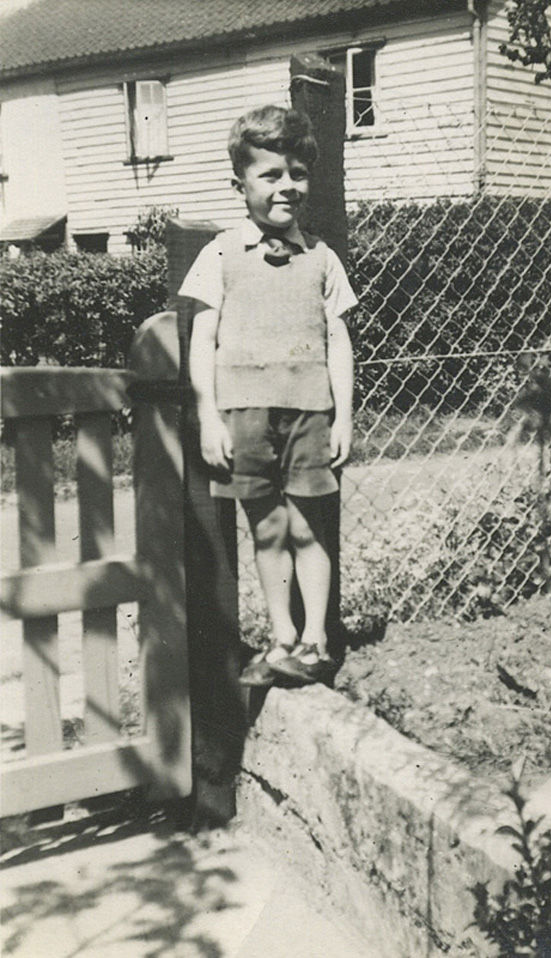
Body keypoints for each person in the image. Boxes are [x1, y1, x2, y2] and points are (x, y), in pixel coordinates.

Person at [179, 104, 356, 688]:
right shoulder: (221, 255)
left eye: (298, 174)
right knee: (269, 531)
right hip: (244, 415)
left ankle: (316, 641)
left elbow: (339, 341)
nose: (287, 187)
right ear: (241, 184)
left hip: (309, 414)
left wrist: (344, 418)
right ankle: (282, 636)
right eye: (271, 175)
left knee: (310, 528)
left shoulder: (322, 258)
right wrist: (209, 417)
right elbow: (202, 340)